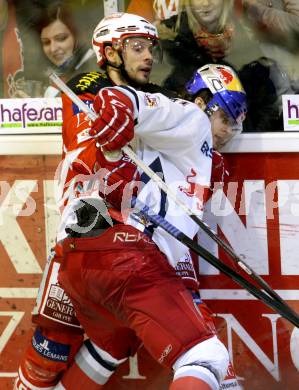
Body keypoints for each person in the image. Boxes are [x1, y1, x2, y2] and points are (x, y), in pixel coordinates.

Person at [14, 13, 246, 390]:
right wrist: (109, 162)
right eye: (137, 47)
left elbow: (161, 128)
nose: (149, 56)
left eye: (151, 48)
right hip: (92, 226)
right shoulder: (87, 87)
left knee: (116, 341)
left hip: (124, 240)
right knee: (50, 350)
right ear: (110, 53)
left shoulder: (160, 97)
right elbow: (88, 157)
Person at [12, 2, 96, 98]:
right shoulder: (37, 76)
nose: (53, 48)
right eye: (46, 42)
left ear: (74, 35)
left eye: (61, 38)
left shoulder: (95, 65)